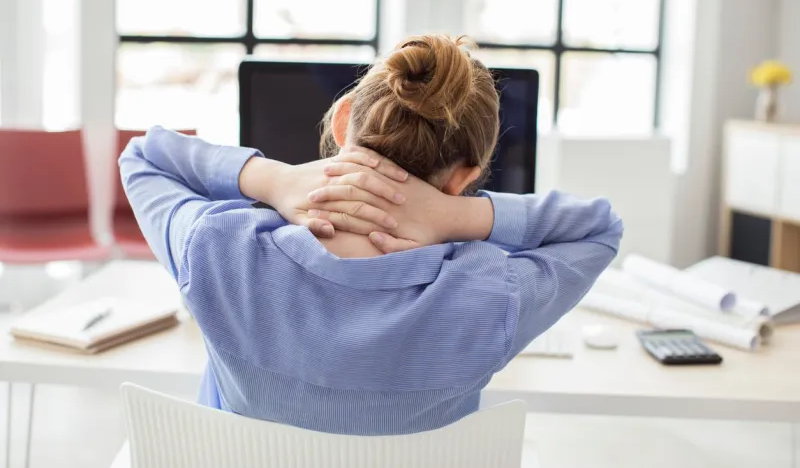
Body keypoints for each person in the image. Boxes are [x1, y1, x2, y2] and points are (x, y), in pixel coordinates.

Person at [119, 35, 623, 436]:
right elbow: (599, 228)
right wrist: (455, 215)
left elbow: (144, 156)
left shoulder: (219, 249)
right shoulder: (490, 295)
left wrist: (273, 178)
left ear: (342, 123)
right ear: (465, 175)